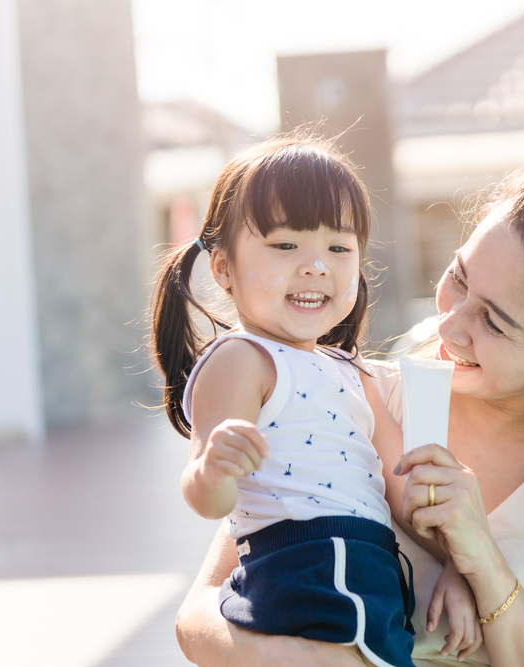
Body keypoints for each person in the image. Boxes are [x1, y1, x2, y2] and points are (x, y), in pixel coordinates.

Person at [175, 155, 524, 667]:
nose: (448, 324)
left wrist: (482, 566)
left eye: (493, 321)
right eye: (459, 277)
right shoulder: (361, 397)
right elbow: (200, 611)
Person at [150, 134, 481, 667]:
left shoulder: (354, 374)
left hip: (372, 572)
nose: (316, 266)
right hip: (299, 564)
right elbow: (207, 498)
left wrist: (456, 571)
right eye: (285, 245)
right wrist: (215, 470)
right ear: (222, 269)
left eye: (338, 248)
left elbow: (405, 489)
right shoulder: (243, 358)